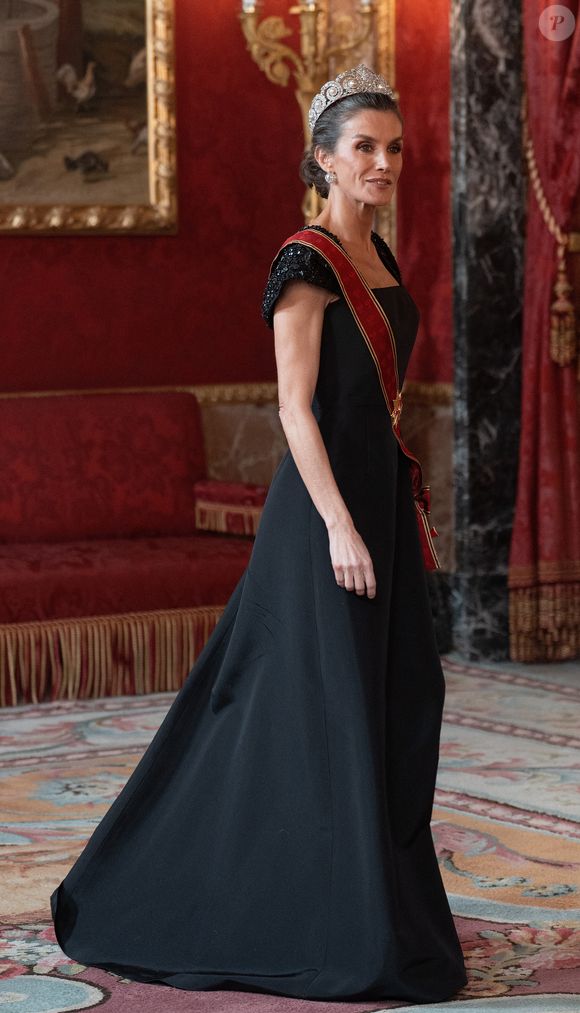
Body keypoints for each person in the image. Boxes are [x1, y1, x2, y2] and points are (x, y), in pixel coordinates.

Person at [50, 65, 468, 1003]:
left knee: (403, 701)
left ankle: (380, 907)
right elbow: (294, 409)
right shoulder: (305, 263)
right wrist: (339, 528)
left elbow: (374, 404)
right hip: (326, 523)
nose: (383, 163)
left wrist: (382, 514)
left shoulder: (382, 257)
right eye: (363, 147)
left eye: (394, 148)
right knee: (326, 719)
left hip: (380, 512)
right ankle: (312, 914)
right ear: (323, 158)